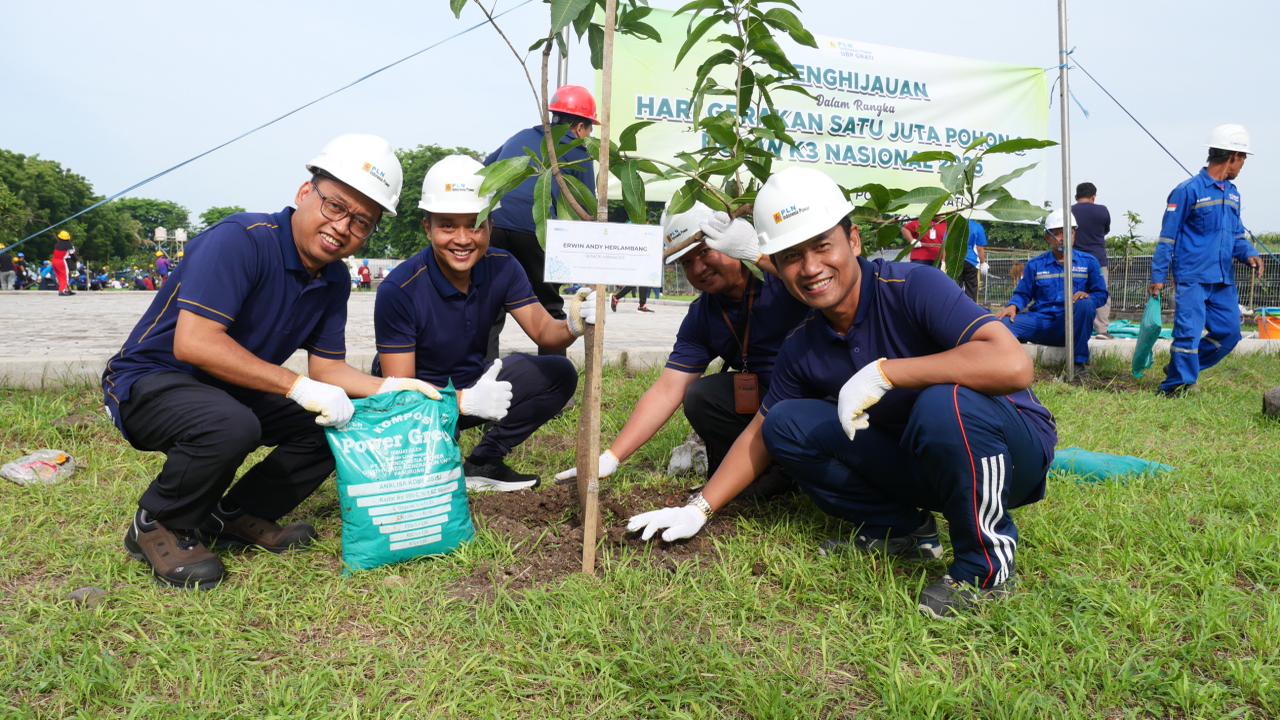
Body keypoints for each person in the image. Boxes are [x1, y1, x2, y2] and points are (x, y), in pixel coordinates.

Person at [627, 167, 1056, 618]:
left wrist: (887, 373)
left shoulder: (912, 287)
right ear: (775, 266)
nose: (811, 268)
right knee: (789, 424)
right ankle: (903, 531)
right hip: (923, 458)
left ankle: (984, 568)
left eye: (822, 246)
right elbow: (761, 431)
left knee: (942, 401)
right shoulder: (805, 342)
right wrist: (699, 508)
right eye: (792, 256)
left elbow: (1012, 364)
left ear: (853, 241)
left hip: (1009, 455)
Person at [101, 134, 439, 590]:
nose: (343, 227)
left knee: (338, 423)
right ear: (305, 193)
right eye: (335, 206)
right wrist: (296, 387)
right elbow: (195, 344)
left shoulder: (334, 278)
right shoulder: (241, 239)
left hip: (229, 388)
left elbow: (327, 370)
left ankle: (236, 514)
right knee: (231, 423)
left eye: (362, 221)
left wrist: (389, 388)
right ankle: (159, 522)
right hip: (149, 381)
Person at [374, 154, 594, 492]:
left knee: (558, 374)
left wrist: (575, 324)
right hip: (418, 399)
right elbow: (399, 394)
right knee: (425, 476)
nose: (463, 239)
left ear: (491, 225)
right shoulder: (399, 289)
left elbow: (544, 333)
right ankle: (432, 457)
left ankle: (483, 463)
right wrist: (458, 402)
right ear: (428, 228)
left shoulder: (502, 266)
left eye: (475, 224)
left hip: (477, 383)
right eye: (447, 225)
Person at [556, 202, 810, 494]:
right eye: (686, 262)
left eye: (704, 252)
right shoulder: (703, 314)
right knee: (703, 397)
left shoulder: (780, 283)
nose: (698, 268)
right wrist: (612, 457)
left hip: (812, 395)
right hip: (765, 401)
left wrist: (757, 254)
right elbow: (668, 390)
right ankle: (767, 472)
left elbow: (814, 280)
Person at [484, 85, 598, 357]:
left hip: (495, 225)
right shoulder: (579, 152)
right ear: (580, 127)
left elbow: (488, 168)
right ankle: (553, 374)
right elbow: (585, 208)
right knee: (548, 303)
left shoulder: (522, 135)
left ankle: (480, 373)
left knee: (490, 303)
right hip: (539, 230)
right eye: (590, 128)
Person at [1150, 124, 1263, 396]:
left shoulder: (1233, 193)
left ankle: (1181, 368)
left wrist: (1248, 254)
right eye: (1243, 159)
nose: (1242, 165)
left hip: (1223, 278)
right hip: (1193, 277)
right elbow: (1167, 237)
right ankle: (1174, 387)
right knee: (1188, 334)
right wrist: (1157, 276)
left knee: (1229, 333)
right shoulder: (1188, 190)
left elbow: (1236, 234)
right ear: (1232, 156)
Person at [996, 209, 1108, 373]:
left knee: (1085, 304)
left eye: (1068, 232)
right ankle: (1007, 362)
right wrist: (1013, 306)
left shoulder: (1089, 262)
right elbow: (1023, 293)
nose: (1063, 238)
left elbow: (1101, 294)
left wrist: (1088, 297)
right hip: (1040, 322)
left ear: (1075, 234)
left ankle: (1078, 364)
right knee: (1001, 324)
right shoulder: (1035, 265)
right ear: (1047, 237)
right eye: (1058, 233)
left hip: (1070, 326)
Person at [1071, 182, 1112, 337]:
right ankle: (1101, 330)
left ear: (1076, 196)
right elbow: (1105, 230)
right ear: (1093, 197)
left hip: (1074, 261)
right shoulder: (1102, 211)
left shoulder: (1068, 211)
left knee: (1073, 293)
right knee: (1101, 292)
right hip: (1098, 259)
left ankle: (1072, 327)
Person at [958, 219, 989, 301]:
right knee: (971, 289)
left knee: (955, 288)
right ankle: (970, 310)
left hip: (956, 260)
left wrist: (943, 261)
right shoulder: (977, 226)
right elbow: (980, 248)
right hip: (971, 260)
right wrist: (983, 263)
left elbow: (945, 244)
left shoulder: (954, 224)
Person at [52, 229, 74, 296]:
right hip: (61, 261)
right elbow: (72, 253)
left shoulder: (57, 244)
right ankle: (62, 291)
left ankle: (66, 290)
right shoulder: (69, 244)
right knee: (64, 276)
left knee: (59, 277)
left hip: (54, 261)